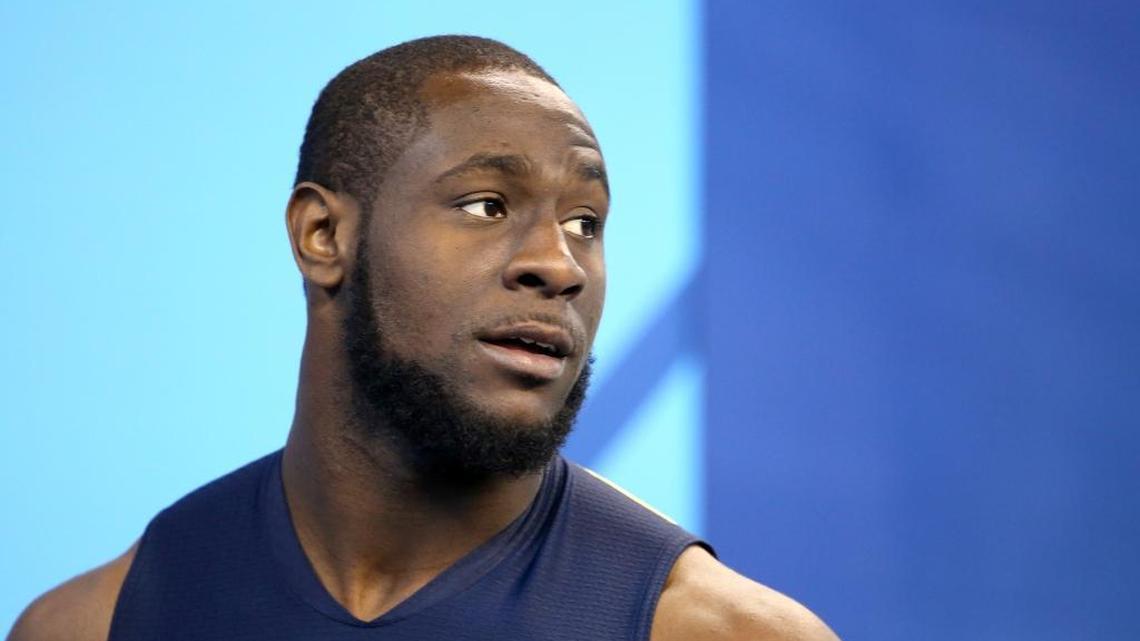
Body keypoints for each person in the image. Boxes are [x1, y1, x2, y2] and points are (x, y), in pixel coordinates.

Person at [8, 36, 839, 641]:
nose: (560, 264)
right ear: (322, 234)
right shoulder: (93, 623)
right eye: (487, 205)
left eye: (586, 222)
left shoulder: (722, 632)